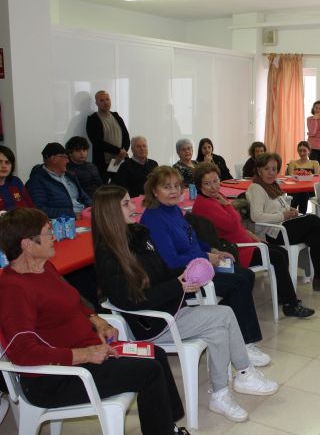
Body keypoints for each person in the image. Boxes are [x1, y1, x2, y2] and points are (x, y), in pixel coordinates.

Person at [92, 186, 279, 423]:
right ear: (110, 212)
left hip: (168, 310)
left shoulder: (137, 237)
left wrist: (187, 274)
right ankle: (243, 373)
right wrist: (178, 286)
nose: (134, 207)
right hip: (153, 323)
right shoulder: (110, 254)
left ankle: (222, 392)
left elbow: (161, 271)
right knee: (224, 315)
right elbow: (131, 299)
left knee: (219, 327)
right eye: (126, 204)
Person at [0, 208, 191, 435]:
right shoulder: (13, 289)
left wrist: (97, 320)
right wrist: (85, 354)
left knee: (155, 353)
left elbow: (72, 302)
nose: (54, 237)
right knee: (148, 370)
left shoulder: (44, 267)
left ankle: (168, 426)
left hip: (88, 353)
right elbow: (23, 353)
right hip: (56, 378)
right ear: (27, 245)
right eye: (47, 233)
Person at [139, 166, 270, 366]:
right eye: (167, 187)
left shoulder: (173, 210)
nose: (174, 191)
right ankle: (244, 343)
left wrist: (214, 251)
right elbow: (170, 260)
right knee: (239, 282)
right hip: (182, 276)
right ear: (154, 191)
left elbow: (193, 239)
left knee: (246, 275)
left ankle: (236, 335)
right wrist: (206, 256)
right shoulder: (154, 218)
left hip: (199, 263)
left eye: (177, 186)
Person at [191, 162, 314, 318]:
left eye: (215, 181)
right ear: (199, 186)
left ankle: (286, 297)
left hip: (244, 243)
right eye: (207, 184)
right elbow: (233, 223)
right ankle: (291, 305)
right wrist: (228, 206)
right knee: (277, 256)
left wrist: (252, 236)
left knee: (280, 252)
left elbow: (237, 225)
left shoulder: (215, 197)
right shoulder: (207, 204)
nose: (213, 187)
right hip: (236, 251)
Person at [246, 153, 320, 293]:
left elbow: (276, 208)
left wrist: (289, 210)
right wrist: (283, 215)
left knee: (316, 235)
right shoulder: (256, 188)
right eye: (267, 169)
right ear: (259, 170)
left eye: (274, 169)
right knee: (312, 219)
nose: (271, 173)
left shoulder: (271, 186)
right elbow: (256, 217)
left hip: (281, 228)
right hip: (272, 234)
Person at [27, 142, 91, 219]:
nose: (68, 161)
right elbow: (40, 209)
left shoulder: (70, 176)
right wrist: (72, 215)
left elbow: (84, 196)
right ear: (53, 158)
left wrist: (92, 207)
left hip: (84, 214)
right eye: (64, 157)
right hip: (65, 220)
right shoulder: (37, 181)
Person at [86, 90, 130, 182]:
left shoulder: (116, 116)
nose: (105, 102)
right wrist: (118, 151)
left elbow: (126, 136)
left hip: (120, 160)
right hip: (104, 164)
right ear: (96, 103)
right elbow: (97, 142)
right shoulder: (93, 119)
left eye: (107, 99)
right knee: (107, 189)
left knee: (122, 186)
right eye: (101, 100)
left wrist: (123, 151)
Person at [286, 141, 320, 214]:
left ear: (309, 151)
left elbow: (317, 177)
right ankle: (300, 214)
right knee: (301, 194)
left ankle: (295, 213)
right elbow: (291, 177)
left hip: (309, 189)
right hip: (295, 188)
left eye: (304, 151)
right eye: (300, 151)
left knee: (303, 194)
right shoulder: (293, 163)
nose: (302, 153)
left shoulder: (315, 163)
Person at [0, 145, 34, 211]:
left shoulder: (15, 181)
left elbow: (31, 207)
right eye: (0, 162)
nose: (4, 166)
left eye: (7, 162)